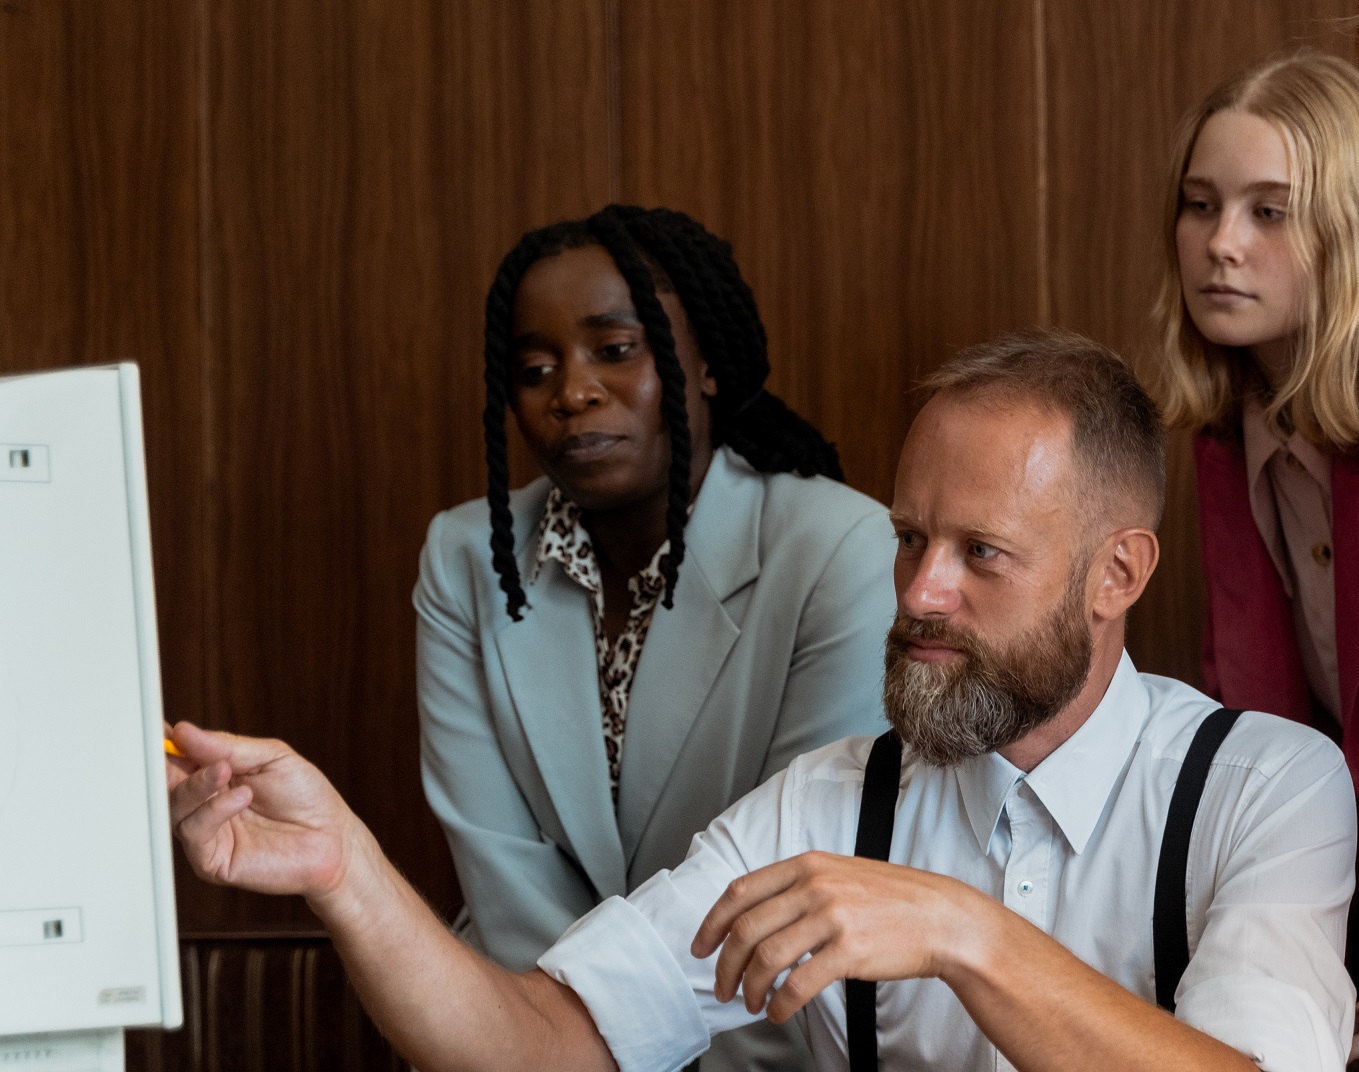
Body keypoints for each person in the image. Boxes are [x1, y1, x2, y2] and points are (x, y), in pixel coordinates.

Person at [169, 330, 1355, 1072]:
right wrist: (346, 873)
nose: (920, 591)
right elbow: (544, 1046)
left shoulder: (1267, 786)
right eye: (910, 538)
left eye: (981, 554)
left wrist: (961, 931)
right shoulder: (828, 804)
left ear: (1118, 575)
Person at [414, 205, 894, 1070]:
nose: (571, 392)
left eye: (615, 349)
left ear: (702, 364)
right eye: (534, 368)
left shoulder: (838, 550)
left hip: (761, 1031)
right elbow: (501, 873)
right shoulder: (466, 560)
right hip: (525, 1028)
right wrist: (556, 1045)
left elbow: (789, 884)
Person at [1155, 51, 1359, 773]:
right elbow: (1253, 711)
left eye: (1269, 211)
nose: (1220, 244)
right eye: (1200, 204)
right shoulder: (1229, 428)